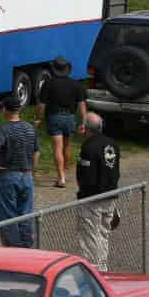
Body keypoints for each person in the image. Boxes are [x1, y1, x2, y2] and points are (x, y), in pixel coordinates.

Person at [0, 95, 39, 247]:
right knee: (26, 214)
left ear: (5, 110)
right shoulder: (30, 128)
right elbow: (37, 151)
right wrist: (32, 169)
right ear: (19, 109)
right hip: (27, 176)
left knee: (8, 216)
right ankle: (27, 247)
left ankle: (13, 250)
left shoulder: (4, 129)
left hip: (9, 176)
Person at [75, 112, 121, 270]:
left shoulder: (88, 147)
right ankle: (103, 268)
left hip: (92, 199)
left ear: (87, 129)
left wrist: (83, 193)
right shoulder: (112, 144)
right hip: (110, 196)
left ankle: (94, 272)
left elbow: (85, 177)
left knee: (90, 237)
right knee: (103, 234)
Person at [37, 55, 87, 188]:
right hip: (70, 118)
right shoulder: (76, 84)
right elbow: (82, 105)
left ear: (54, 69)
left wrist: (38, 119)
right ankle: (64, 172)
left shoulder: (48, 83)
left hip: (54, 117)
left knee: (57, 148)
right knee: (67, 146)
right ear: (67, 69)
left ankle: (61, 178)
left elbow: (42, 105)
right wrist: (83, 122)